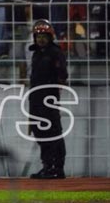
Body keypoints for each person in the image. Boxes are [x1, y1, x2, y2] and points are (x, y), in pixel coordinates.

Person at [28, 19, 68, 180]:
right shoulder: (36, 53)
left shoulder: (55, 52)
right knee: (40, 132)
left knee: (53, 132)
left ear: (50, 37)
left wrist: (52, 93)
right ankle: (47, 165)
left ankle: (56, 167)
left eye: (44, 36)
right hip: (36, 98)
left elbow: (63, 76)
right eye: (38, 36)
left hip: (49, 98)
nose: (41, 39)